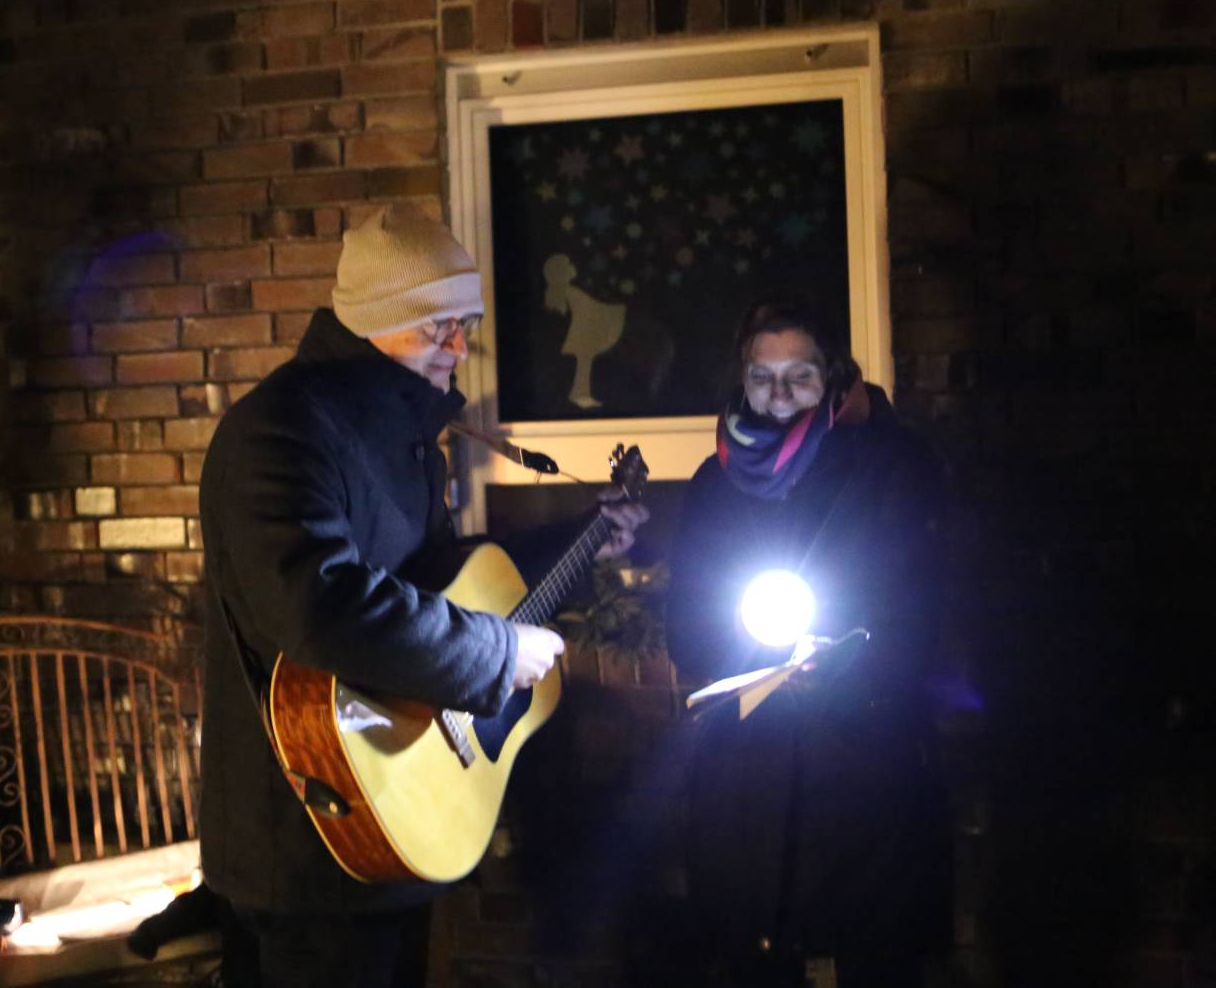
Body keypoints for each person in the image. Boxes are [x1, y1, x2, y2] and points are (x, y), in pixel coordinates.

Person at [198, 204, 648, 988]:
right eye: (437, 328)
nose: (458, 349)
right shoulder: (280, 431)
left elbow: (439, 575)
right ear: (376, 320)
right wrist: (496, 651)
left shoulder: (395, 431)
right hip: (307, 846)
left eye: (464, 325)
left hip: (389, 819)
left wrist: (582, 539)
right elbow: (318, 601)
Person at [664, 297, 952, 988]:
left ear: (835, 375)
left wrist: (854, 660)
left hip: (859, 763)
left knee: (867, 951)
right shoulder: (716, 481)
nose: (780, 396)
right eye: (763, 378)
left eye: (800, 376)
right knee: (755, 950)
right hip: (748, 772)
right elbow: (689, 621)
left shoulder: (892, 466)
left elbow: (929, 601)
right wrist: (737, 664)